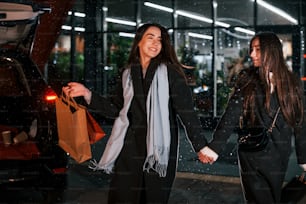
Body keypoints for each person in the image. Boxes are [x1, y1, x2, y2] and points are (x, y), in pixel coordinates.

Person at [62, 23, 208, 204]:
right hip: (129, 147)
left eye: (160, 40)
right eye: (150, 37)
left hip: (157, 152)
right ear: (139, 41)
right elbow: (116, 108)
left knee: (153, 198)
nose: (155, 43)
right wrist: (87, 94)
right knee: (122, 197)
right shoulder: (127, 74)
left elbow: (187, 112)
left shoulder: (171, 73)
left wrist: (200, 145)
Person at [198, 32, 306, 203]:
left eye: (258, 49)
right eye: (251, 49)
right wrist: (215, 147)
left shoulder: (292, 82)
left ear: (272, 51)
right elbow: (231, 114)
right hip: (252, 151)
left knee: (272, 196)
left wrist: (303, 156)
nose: (252, 54)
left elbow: (300, 121)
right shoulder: (247, 78)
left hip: (279, 153)